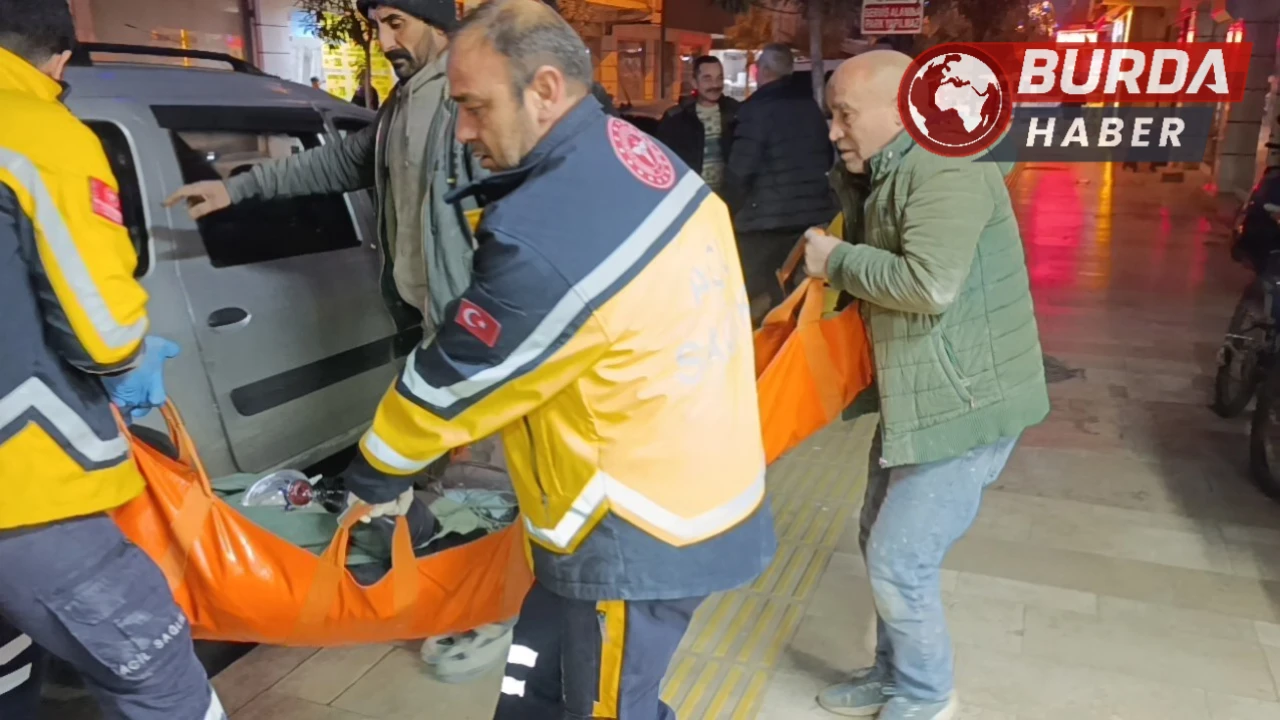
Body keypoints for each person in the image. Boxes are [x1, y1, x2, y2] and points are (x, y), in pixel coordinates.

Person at [342, 1, 777, 717]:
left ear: (545, 90)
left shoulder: (554, 225)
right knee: (539, 683)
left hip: (635, 531)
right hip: (663, 489)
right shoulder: (625, 153)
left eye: (475, 107)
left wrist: (374, 473)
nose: (464, 131)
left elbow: (460, 376)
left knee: (605, 706)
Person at [162, 0, 511, 683]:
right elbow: (341, 162)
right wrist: (241, 189)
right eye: (377, 24)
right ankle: (449, 586)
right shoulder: (406, 102)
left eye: (396, 22)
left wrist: (492, 315)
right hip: (433, 322)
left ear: (437, 19)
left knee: (485, 473)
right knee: (447, 473)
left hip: (481, 328)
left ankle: (490, 610)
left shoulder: (471, 95)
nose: (385, 40)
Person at [803, 51, 1049, 720]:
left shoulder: (946, 168)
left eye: (845, 115)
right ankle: (894, 674)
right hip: (920, 391)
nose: (834, 131)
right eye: (831, 116)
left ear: (900, 111)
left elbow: (928, 283)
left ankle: (927, 695)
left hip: (964, 400)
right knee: (876, 537)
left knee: (898, 559)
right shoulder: (894, 166)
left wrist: (837, 261)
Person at [0, 3, 223, 718]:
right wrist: (131, 355)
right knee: (158, 676)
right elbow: (101, 330)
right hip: (25, 490)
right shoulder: (34, 129)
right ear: (59, 57)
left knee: (8, 674)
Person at [723, 42, 836, 321]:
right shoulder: (810, 107)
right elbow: (824, 157)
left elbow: (741, 170)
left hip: (763, 223)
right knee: (797, 297)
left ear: (762, 71)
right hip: (810, 220)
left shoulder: (755, 111)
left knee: (751, 297)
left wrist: (727, 209)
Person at [655, 55, 739, 193]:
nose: (715, 85)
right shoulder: (675, 119)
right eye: (707, 79)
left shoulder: (737, 113)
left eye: (719, 78)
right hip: (691, 198)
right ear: (694, 83)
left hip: (727, 200)